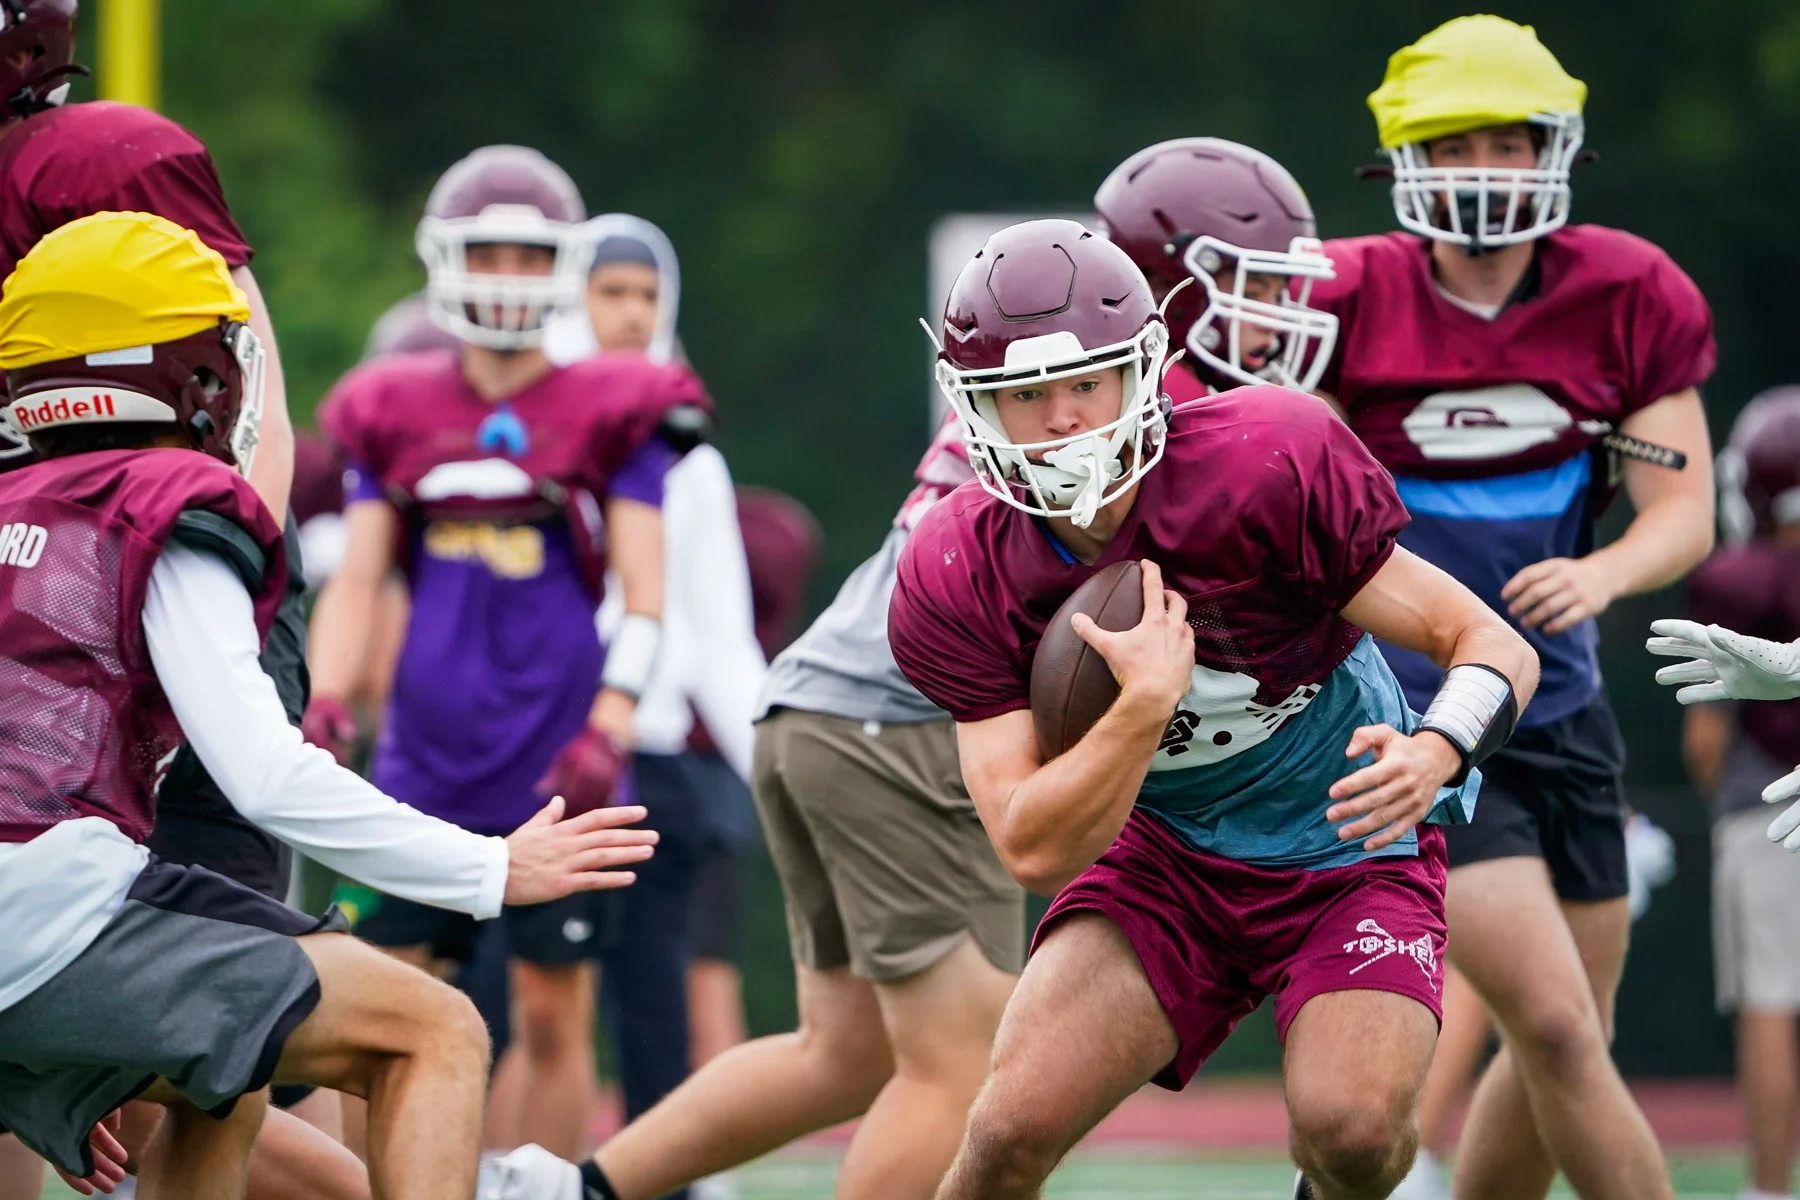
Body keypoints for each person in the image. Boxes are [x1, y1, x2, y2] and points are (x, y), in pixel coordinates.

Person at [0, 210, 659, 1200]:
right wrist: (489, 864)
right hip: (45, 917)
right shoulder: (164, 503)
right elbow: (264, 773)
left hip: (32, 931)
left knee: (225, 1064)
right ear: (192, 368)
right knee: (433, 1027)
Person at [881, 218, 1534, 1200]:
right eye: (1026, 394)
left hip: (1348, 842)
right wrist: (1142, 706)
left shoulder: (1265, 459)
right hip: (1168, 860)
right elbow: (1030, 845)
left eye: (1086, 384)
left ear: (1141, 370)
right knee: (1008, 1130)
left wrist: (1440, 749)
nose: (1064, 420)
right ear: (975, 409)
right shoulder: (954, 563)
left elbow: (1492, 644)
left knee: (1353, 1133)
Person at [1309, 17, 1716, 1200]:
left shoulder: (1627, 291)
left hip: (1568, 708)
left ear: (1557, 149)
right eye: (1455, 143)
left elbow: (1678, 502)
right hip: (1416, 718)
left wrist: (1605, 574)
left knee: (1565, 1034)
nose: (1484, 168)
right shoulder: (1338, 297)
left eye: (1506, 140)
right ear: (1403, 162)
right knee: (1553, 1027)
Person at [479, 386, 1023, 1200]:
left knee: (843, 1054)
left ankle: (574, 1190)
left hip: (815, 709)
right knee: (958, 1063)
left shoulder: (1044, 383)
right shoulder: (1127, 399)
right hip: (897, 725)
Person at [0, 2, 361, 1190]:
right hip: (28, 646)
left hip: (159, 621)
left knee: (203, 1063)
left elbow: (242, 403)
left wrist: (192, 628)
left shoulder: (93, 162)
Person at [305, 145, 711, 1164]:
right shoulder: (390, 405)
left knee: (553, 1014)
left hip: (556, 760)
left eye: (529, 256)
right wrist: (325, 700)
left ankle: (543, 1193)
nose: (505, 276)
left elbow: (645, 595)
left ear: (562, 266)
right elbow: (358, 581)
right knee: (372, 1012)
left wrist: (609, 725)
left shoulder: (618, 403)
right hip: (417, 766)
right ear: (443, 256)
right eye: (485, 251)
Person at [1658, 389, 1800, 1200]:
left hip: (1764, 808)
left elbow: (1707, 740)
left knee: (1771, 1003)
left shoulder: (1732, 579)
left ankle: (1771, 1187)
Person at [1093, 136, 1338, 403]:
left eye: (1279, 295)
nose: (1273, 324)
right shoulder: (1156, 410)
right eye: (1250, 294)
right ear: (1163, 286)